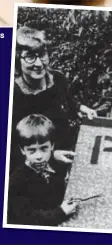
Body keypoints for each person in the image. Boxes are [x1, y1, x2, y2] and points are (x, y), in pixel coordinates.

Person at [11, 26, 97, 168]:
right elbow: (13, 149)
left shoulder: (57, 79)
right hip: (34, 171)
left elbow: (67, 102)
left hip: (66, 160)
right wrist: (51, 157)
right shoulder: (14, 94)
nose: (39, 64)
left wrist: (80, 108)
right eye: (30, 57)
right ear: (17, 60)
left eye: (42, 54)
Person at [7, 114, 80, 226]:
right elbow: (27, 218)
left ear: (52, 146)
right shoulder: (16, 182)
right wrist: (61, 212)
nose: (39, 156)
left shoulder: (54, 166)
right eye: (32, 151)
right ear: (22, 150)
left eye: (44, 148)